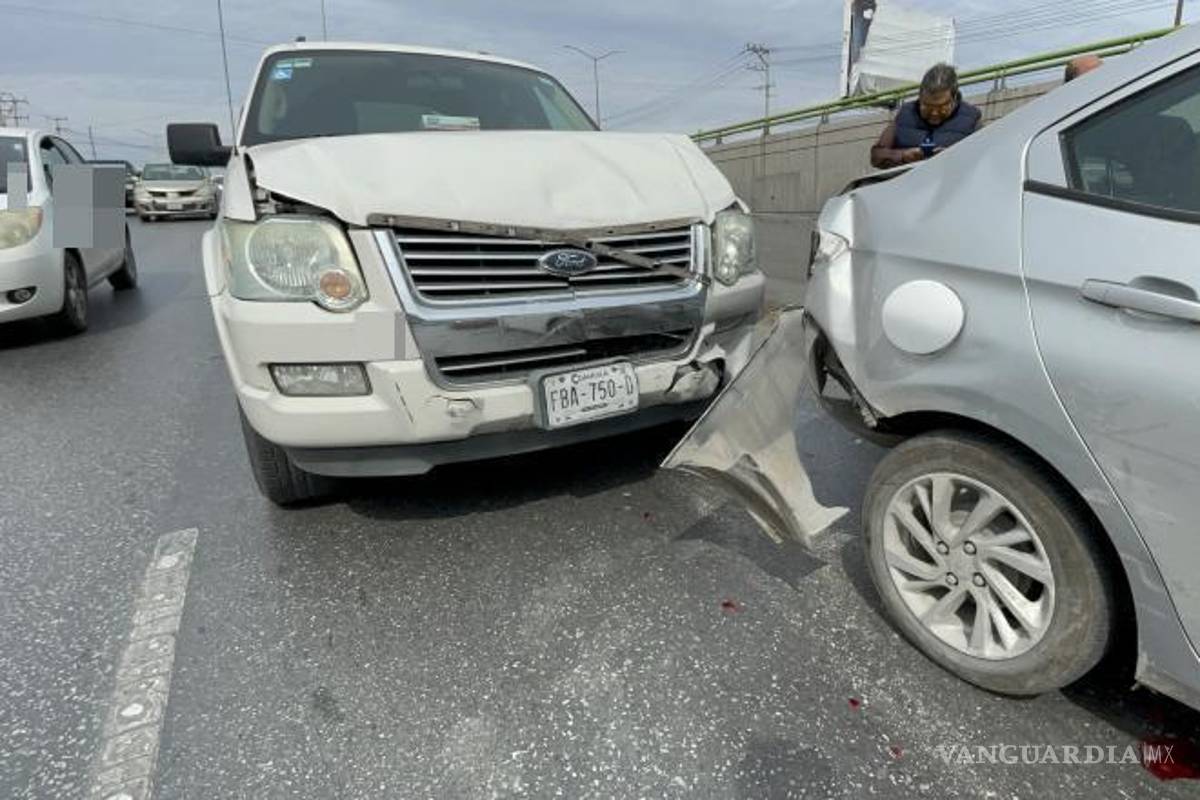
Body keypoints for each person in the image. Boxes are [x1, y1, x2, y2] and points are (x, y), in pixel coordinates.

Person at [870, 63, 982, 169]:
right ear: (920, 97)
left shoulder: (972, 118)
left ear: (954, 98)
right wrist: (904, 156)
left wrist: (953, 158)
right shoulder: (905, 114)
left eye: (941, 107)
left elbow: (984, 157)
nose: (934, 113)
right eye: (927, 107)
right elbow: (876, 156)